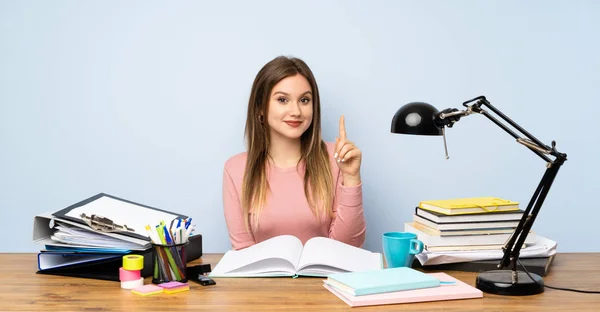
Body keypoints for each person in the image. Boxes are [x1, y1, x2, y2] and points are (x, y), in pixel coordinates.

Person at [222, 56, 365, 250]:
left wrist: (351, 177)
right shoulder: (236, 169)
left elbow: (349, 246)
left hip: (325, 278)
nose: (296, 111)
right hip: (262, 280)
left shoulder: (337, 159)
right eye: (282, 100)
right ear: (260, 109)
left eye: (304, 100)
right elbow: (243, 251)